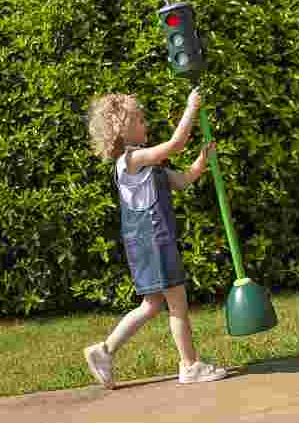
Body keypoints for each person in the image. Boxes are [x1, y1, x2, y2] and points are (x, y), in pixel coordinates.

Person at [83, 86, 228, 389]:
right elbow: (175, 144)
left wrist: (201, 161)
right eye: (139, 121)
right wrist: (191, 107)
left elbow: (184, 180)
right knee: (177, 303)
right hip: (154, 241)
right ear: (123, 129)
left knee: (152, 305)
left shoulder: (150, 167)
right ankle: (189, 365)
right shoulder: (131, 161)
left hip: (148, 243)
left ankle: (104, 350)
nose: (145, 125)